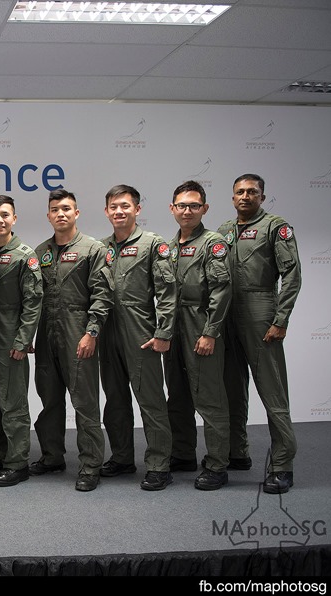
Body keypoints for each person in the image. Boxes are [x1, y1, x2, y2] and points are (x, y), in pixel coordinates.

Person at [217, 173, 301, 494]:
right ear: (233, 196)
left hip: (260, 310)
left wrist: (280, 319)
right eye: (240, 192)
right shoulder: (224, 231)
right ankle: (237, 453)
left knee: (272, 390)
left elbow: (291, 274)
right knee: (231, 388)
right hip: (227, 315)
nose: (245, 196)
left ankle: (282, 463)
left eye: (252, 192)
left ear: (262, 197)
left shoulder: (275, 227)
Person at [99, 184, 176, 491]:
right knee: (115, 400)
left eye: (125, 206)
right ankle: (122, 458)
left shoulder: (152, 244)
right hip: (108, 332)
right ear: (106, 212)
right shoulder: (101, 248)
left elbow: (168, 292)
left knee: (151, 400)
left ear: (137, 209)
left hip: (140, 330)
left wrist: (163, 332)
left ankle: (159, 464)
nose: (119, 211)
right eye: (114, 207)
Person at [32, 189, 110, 492]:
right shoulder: (40, 252)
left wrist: (91, 333)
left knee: (84, 402)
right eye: (55, 209)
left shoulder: (92, 249)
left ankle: (91, 464)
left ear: (76, 213)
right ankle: (52, 456)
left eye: (66, 209)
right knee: (49, 400)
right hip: (46, 335)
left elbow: (102, 295)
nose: (60, 214)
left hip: (78, 331)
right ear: (49, 215)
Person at [163, 180, 232, 491]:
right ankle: (183, 453)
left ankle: (217, 464)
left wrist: (210, 332)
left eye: (193, 205)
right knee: (177, 395)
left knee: (209, 397)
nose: (187, 210)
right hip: (173, 326)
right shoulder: (170, 246)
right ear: (172, 209)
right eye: (181, 205)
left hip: (199, 323)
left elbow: (222, 290)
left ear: (204, 208)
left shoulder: (213, 243)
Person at [0, 195, 43, 487]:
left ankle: (18, 462)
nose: (0, 220)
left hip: (10, 338)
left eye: (5, 215)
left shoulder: (24, 255)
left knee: (13, 401)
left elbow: (33, 302)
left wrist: (22, 341)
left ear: (14, 219)